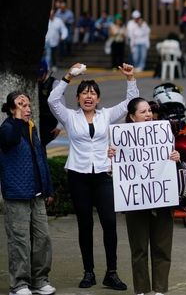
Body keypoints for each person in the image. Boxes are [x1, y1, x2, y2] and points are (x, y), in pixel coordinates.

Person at [47, 62, 137, 290]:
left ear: (98, 99)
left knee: (109, 223)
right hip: (78, 176)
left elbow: (129, 104)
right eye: (84, 93)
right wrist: (68, 76)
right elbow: (52, 100)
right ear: (77, 99)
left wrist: (130, 79)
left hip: (103, 176)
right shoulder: (69, 117)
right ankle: (88, 272)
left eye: (93, 93)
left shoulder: (106, 115)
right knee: (85, 225)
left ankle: (112, 273)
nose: (89, 97)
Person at [111, 97, 180, 295]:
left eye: (149, 110)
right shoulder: (120, 142)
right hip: (136, 201)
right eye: (143, 112)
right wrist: (112, 158)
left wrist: (176, 157)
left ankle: (159, 290)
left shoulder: (163, 134)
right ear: (132, 117)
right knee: (139, 249)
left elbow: (170, 164)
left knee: (162, 247)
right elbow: (115, 172)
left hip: (162, 199)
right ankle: (141, 290)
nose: (148, 115)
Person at [0, 91, 56, 295]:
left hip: (37, 193)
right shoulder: (7, 128)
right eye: (21, 104)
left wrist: (48, 188)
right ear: (12, 109)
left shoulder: (32, 128)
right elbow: (10, 140)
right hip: (17, 195)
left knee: (43, 239)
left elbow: (41, 158)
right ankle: (19, 284)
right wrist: (15, 119)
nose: (27, 108)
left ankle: (40, 280)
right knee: (20, 241)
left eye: (28, 104)